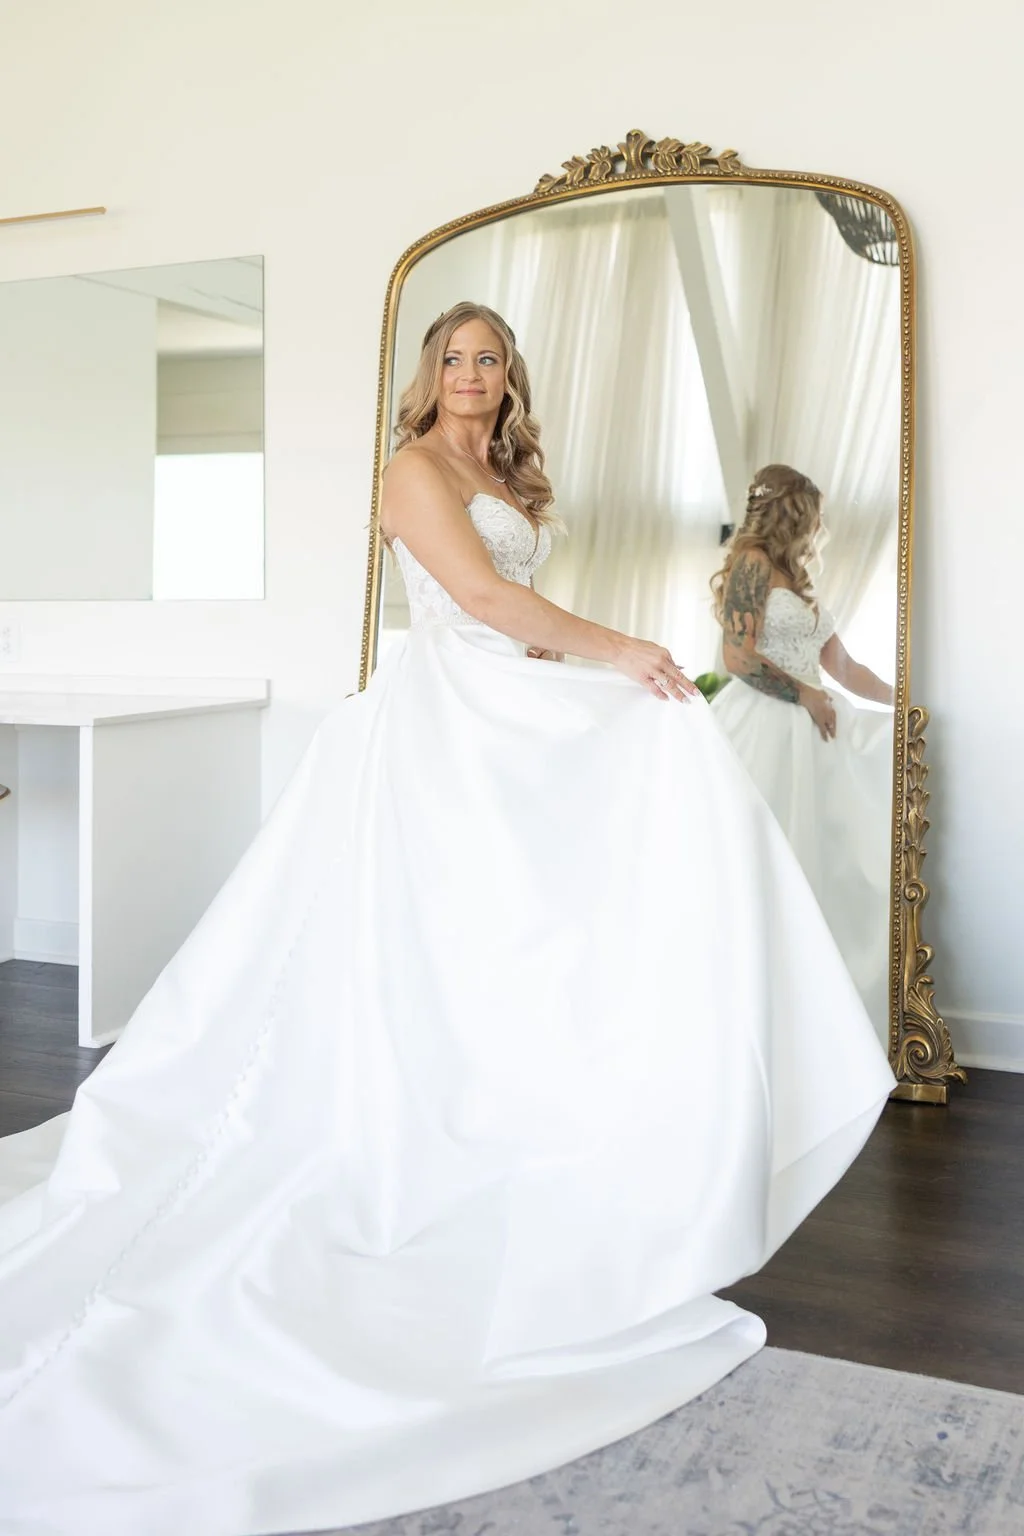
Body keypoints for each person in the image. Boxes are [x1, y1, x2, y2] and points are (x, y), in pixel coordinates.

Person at [0, 306, 895, 1536]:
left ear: (507, 375)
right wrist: (619, 647)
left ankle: (553, 1123)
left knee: (564, 883)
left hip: (502, 706)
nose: (471, 374)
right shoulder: (413, 468)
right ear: (430, 375)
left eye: (488, 358)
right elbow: (475, 594)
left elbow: (514, 609)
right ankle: (419, 1141)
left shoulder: (500, 469)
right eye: (454, 358)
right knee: (446, 933)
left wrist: (587, 666)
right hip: (442, 723)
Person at [710, 464, 896, 1045]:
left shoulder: (796, 579)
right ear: (792, 512)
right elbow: (737, 658)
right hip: (764, 729)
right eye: (812, 513)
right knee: (766, 866)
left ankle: (815, 1024)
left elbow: (845, 668)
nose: (818, 525)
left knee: (823, 870)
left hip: (812, 736)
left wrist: (908, 699)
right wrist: (804, 693)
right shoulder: (751, 563)